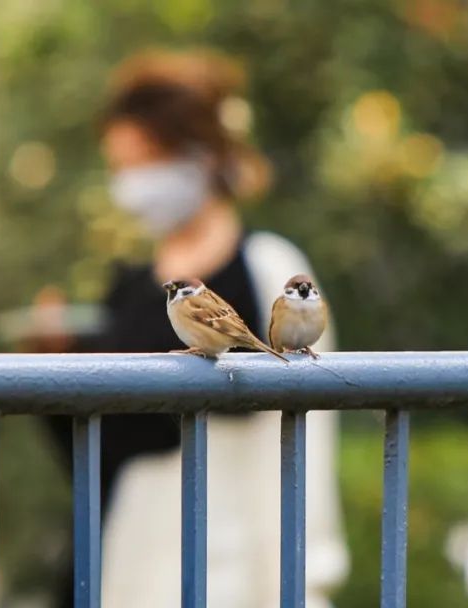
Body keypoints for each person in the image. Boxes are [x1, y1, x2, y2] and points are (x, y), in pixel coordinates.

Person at [41, 49, 349, 607]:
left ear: (201, 155)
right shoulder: (131, 289)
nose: (134, 185)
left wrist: (300, 576)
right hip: (125, 565)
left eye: (147, 163)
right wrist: (55, 362)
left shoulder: (269, 270)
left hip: (231, 570)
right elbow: (103, 446)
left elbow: (303, 437)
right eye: (123, 170)